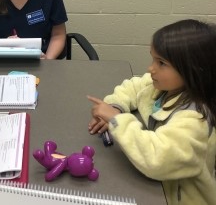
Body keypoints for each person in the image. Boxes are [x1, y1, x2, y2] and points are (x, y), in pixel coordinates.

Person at [87, 19, 216, 205]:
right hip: (158, 188)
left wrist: (117, 120)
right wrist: (116, 106)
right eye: (153, 59)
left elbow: (157, 158)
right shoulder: (164, 87)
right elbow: (135, 86)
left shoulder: (195, 120)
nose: (151, 68)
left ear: (192, 70)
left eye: (161, 63)